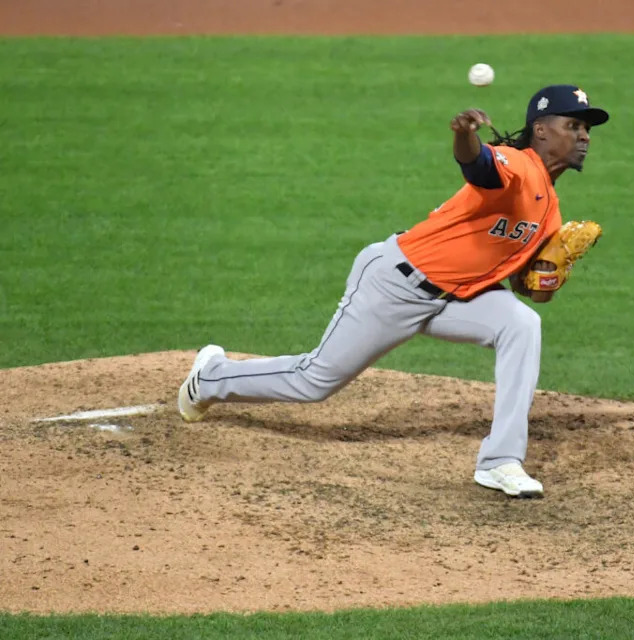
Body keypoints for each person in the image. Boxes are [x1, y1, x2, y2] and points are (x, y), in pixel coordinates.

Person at [178, 84, 609, 498]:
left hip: (453, 299)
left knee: (522, 323)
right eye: (574, 126)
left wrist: (549, 277)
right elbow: (477, 165)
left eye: (587, 129)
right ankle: (212, 378)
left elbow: (530, 291)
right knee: (314, 382)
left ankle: (500, 461)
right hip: (394, 284)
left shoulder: (550, 214)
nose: (584, 136)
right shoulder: (517, 165)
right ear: (540, 130)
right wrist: (463, 135)